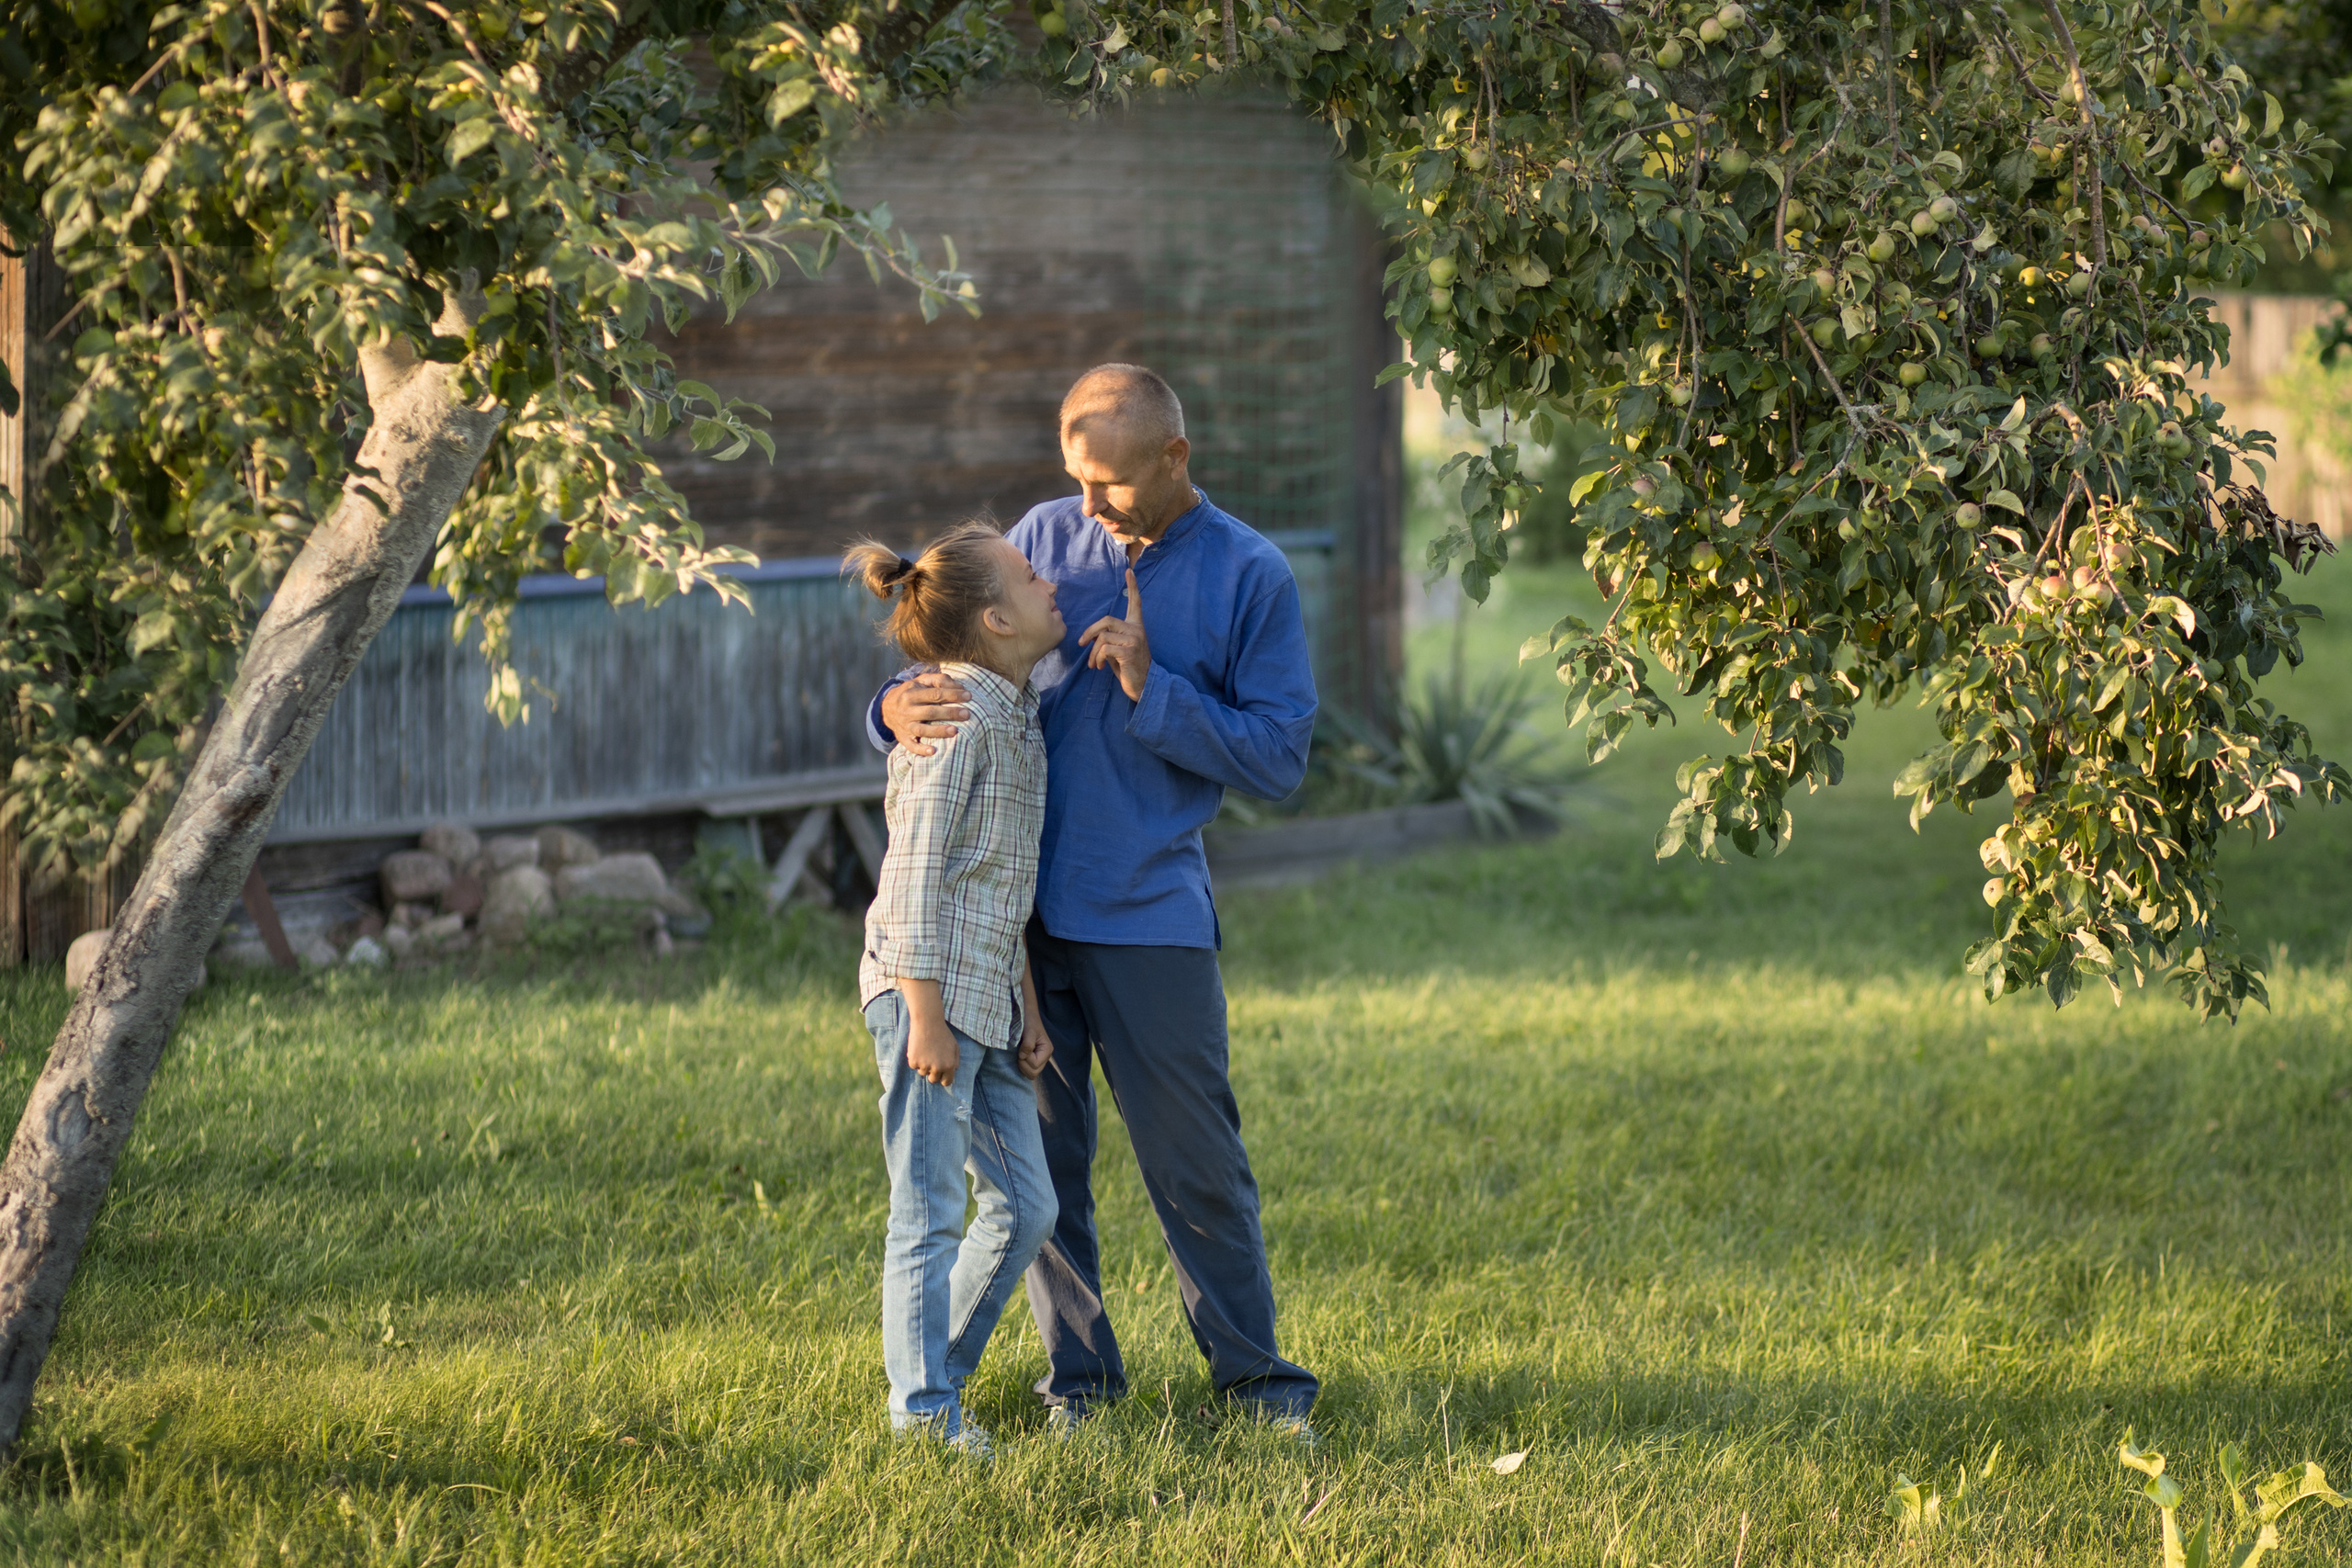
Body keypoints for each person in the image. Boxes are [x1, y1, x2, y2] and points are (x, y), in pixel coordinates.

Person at [871, 365, 1321, 1438]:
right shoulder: (1042, 538)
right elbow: (951, 655)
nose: (1085, 508)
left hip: (1147, 912)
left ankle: (1259, 1387)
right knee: (1042, 1175)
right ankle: (1081, 1385)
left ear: (1175, 458)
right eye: (1075, 479)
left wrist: (1153, 691)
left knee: (1197, 1166)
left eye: (1109, 484)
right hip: (1013, 934)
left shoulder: (1251, 574)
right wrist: (891, 707)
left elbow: (1280, 754)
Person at [848, 520, 1067, 1456]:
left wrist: (1023, 1001)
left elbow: (1000, 880)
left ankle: (932, 1380)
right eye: (1028, 574)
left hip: (987, 999)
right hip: (924, 1000)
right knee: (930, 1213)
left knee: (1028, 1208)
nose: (1046, 578)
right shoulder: (953, 717)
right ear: (994, 617)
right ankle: (924, 1416)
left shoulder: (1018, 717)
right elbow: (915, 874)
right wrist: (925, 1019)